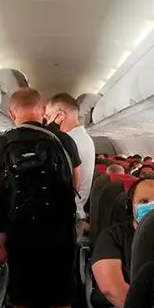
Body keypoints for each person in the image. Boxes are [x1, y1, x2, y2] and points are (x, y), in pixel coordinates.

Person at [0, 87, 81, 308]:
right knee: (60, 303)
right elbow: (75, 185)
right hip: (58, 233)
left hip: (20, 233)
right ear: (42, 110)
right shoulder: (63, 140)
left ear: (11, 113)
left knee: (22, 301)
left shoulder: (1, 143)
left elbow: (0, 189)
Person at [92, 178, 154, 308]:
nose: (151, 206)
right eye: (143, 201)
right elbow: (112, 288)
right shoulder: (112, 236)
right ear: (130, 206)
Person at [46, 93, 95, 223]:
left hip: (64, 215)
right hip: (74, 212)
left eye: (48, 117)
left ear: (60, 115)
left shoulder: (69, 142)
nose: (47, 122)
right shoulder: (83, 138)